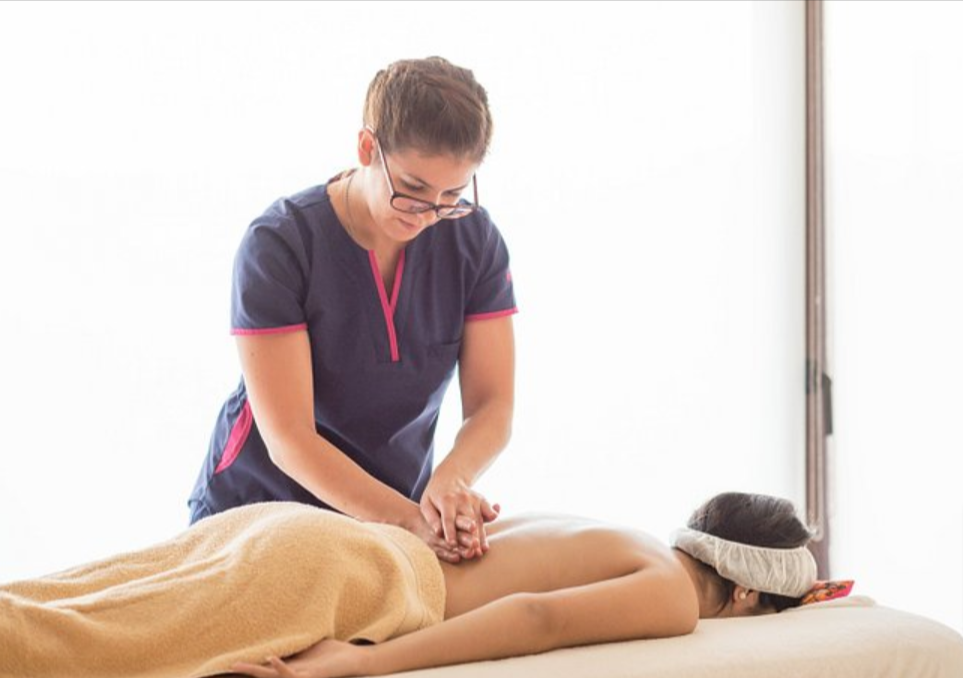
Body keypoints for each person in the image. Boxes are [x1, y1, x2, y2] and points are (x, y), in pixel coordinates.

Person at [187, 56, 517, 563]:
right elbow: (290, 439)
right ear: (367, 148)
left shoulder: (472, 240)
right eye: (412, 190)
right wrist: (412, 522)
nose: (429, 215)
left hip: (386, 527)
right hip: (256, 515)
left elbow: (492, 405)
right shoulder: (281, 244)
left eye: (452, 195)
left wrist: (451, 480)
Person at [0, 491, 819, 678]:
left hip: (301, 530)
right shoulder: (670, 591)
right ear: (747, 593)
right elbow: (533, 619)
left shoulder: (615, 532)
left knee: (64, 605)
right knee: (84, 650)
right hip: (343, 574)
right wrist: (357, 661)